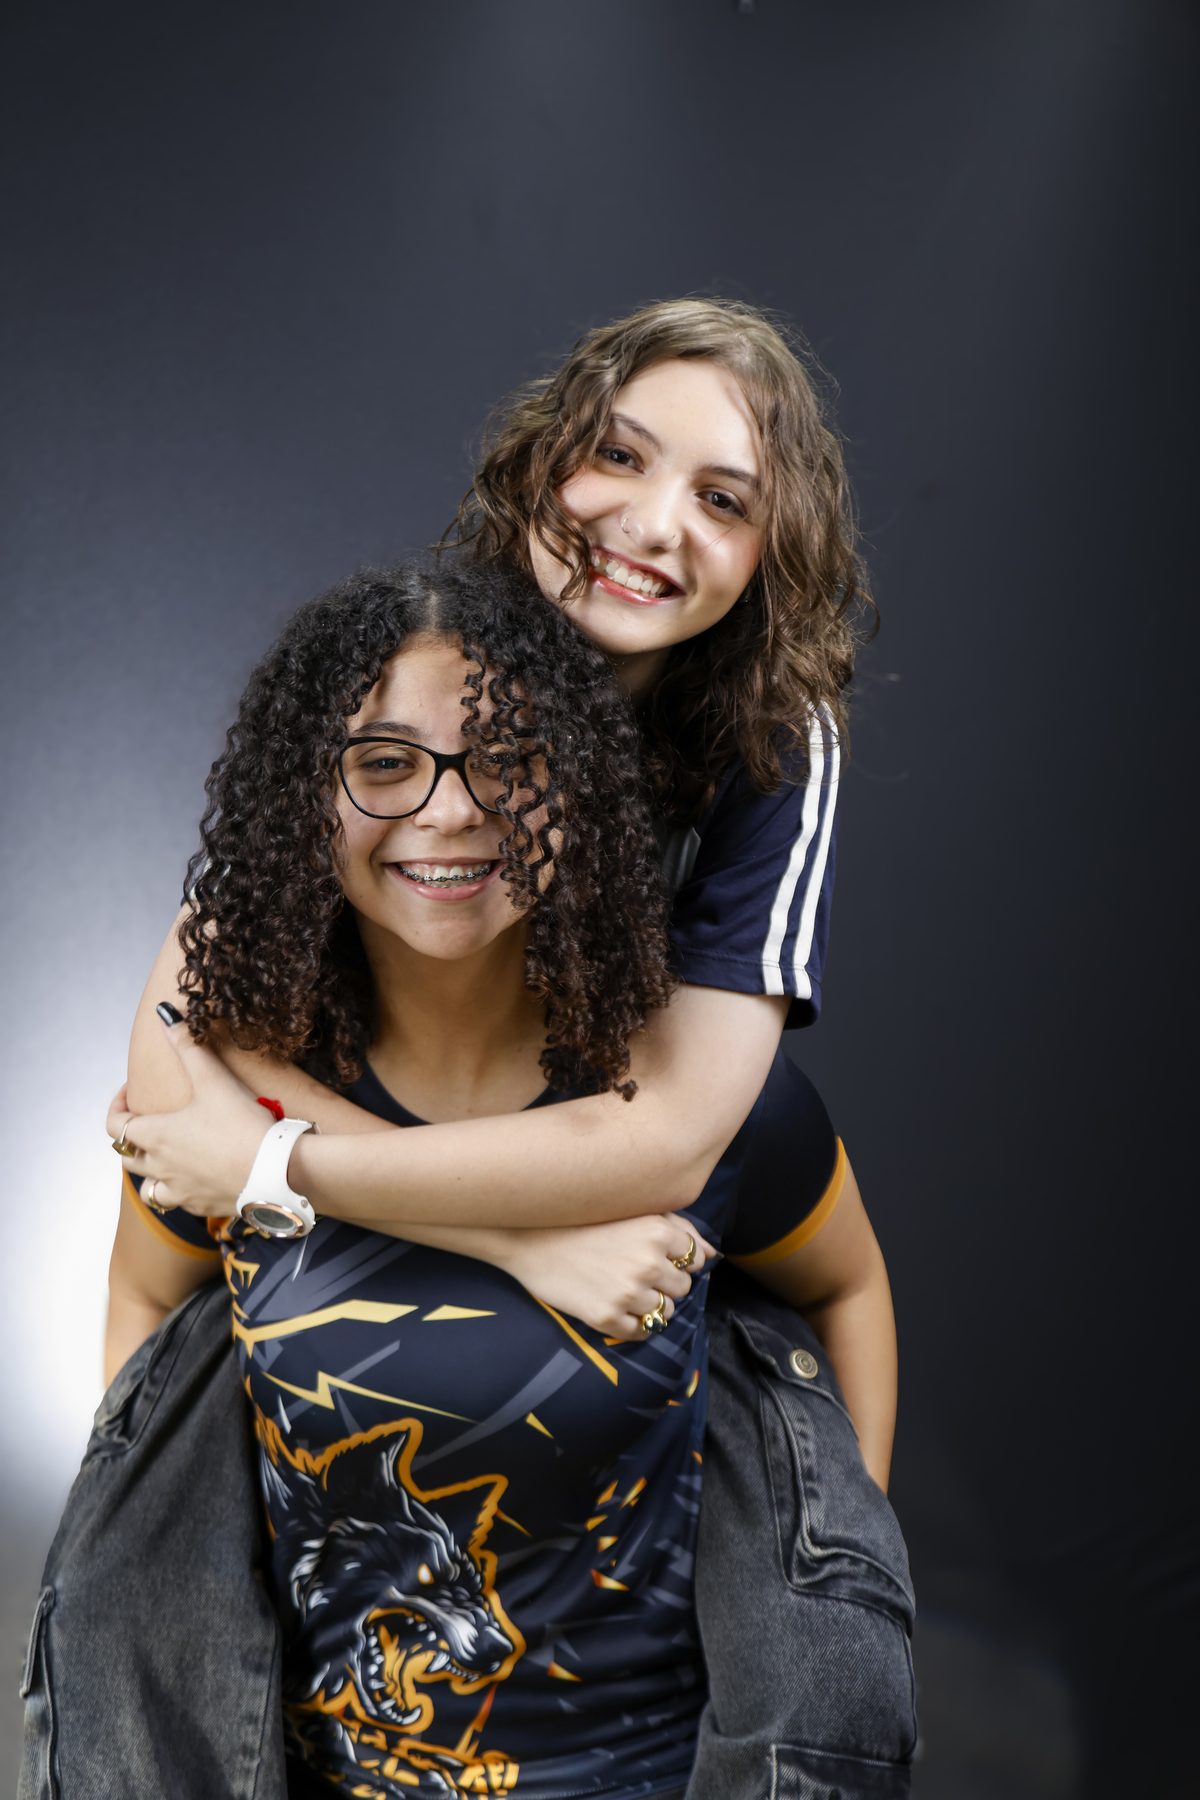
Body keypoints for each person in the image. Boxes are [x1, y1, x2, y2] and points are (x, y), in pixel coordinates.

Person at [109, 300, 916, 1790]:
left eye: (725, 500)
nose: (653, 525)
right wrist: (514, 1243)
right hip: (421, 1096)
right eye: (620, 454)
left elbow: (671, 1140)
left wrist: (835, 1561)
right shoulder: (425, 638)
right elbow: (177, 1034)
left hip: (614, 1120)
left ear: (772, 556)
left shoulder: (768, 732)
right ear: (541, 462)